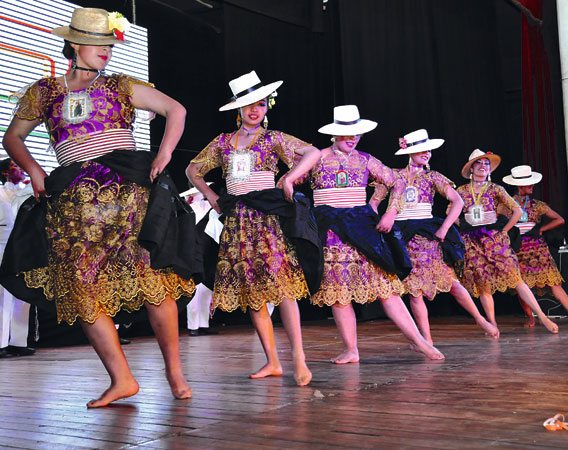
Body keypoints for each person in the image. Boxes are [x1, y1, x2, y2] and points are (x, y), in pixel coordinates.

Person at [0, 8, 196, 407]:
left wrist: (164, 154)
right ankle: (121, 378)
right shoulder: (45, 92)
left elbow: (176, 110)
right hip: (74, 204)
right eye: (96, 44)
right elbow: (13, 137)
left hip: (128, 194)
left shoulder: (121, 85)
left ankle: (174, 371)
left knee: (153, 279)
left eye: (109, 44)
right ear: (74, 44)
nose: (106, 51)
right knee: (81, 287)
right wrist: (35, 171)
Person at [186, 70, 321, 386]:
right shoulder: (222, 143)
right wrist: (211, 196)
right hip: (238, 222)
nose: (254, 110)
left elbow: (312, 152)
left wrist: (289, 177)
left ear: (267, 106)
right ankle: (272, 361)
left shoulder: (273, 139)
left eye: (260, 103)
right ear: (238, 108)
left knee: (283, 288)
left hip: (267, 219)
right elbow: (192, 170)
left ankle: (298, 358)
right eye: (248, 104)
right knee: (254, 291)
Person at [305, 106, 444, 363]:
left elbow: (396, 182)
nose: (352, 138)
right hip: (330, 232)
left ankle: (420, 342)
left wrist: (389, 212)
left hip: (361, 229)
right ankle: (351, 349)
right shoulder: (318, 157)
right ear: (335, 133)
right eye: (347, 133)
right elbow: (290, 179)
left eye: (356, 134)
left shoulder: (365, 159)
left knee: (386, 288)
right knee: (339, 293)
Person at [371, 130, 499, 344]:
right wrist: (381, 221)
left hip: (426, 235)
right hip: (401, 236)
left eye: (429, 150)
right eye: (422, 150)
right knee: (414, 291)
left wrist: (445, 228)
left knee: (451, 282)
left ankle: (480, 319)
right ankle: (427, 339)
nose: (427, 153)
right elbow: (374, 203)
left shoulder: (433, 177)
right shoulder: (393, 175)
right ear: (410, 152)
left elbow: (458, 201)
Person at [455, 150, 559, 334]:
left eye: (486, 163)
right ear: (471, 168)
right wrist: (465, 225)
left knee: (516, 278)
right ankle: (492, 324)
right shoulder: (461, 191)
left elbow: (517, 211)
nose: (483, 166)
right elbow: (451, 212)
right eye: (478, 163)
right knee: (483, 283)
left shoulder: (495, 189)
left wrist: (503, 231)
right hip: (472, 242)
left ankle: (542, 317)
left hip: (494, 239)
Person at [502, 165, 568, 327]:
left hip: (537, 248)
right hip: (517, 247)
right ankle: (531, 317)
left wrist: (541, 229)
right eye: (529, 184)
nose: (532, 187)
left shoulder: (538, 205)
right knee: (522, 284)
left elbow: (560, 219)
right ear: (519, 186)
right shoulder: (507, 205)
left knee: (553, 281)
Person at [0, 159, 35, 358]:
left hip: (23, 248)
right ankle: (1, 344)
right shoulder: (0, 193)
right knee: (4, 296)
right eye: (15, 166)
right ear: (5, 172)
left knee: (23, 295)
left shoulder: (27, 191)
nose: (21, 169)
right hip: (2, 247)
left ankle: (19, 342)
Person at [181, 186, 220, 336]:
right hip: (192, 251)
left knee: (206, 288)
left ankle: (203, 324)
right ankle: (193, 326)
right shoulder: (186, 209)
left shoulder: (208, 208)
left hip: (207, 250)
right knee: (195, 289)